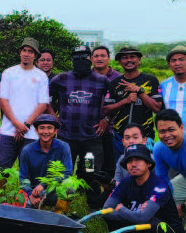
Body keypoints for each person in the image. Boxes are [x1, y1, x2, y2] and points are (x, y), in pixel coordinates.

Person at [102, 144, 186, 233]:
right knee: (111, 217)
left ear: (148, 163)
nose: (133, 164)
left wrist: (123, 209)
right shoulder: (125, 183)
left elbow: (143, 218)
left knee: (154, 222)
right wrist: (132, 214)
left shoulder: (160, 185)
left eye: (138, 160)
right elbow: (106, 210)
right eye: (129, 161)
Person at [49, 46, 108, 176]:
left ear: (90, 58)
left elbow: (113, 102)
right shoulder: (61, 79)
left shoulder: (102, 81)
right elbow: (45, 99)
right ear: (72, 59)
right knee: (63, 172)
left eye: (84, 56)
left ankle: (88, 193)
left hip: (91, 139)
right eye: (76, 57)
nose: (80, 59)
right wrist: (53, 118)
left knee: (90, 171)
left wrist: (106, 119)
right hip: (66, 138)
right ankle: (64, 195)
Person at [0, 38, 50, 168]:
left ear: (35, 55)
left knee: (29, 170)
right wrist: (16, 124)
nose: (26, 54)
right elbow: (3, 101)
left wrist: (25, 125)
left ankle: (25, 190)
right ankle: (1, 190)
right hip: (8, 131)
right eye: (24, 50)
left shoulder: (41, 76)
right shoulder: (8, 73)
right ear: (20, 52)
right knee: (1, 170)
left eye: (30, 51)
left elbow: (43, 104)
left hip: (31, 132)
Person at [103, 47, 163, 145]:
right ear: (120, 61)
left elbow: (157, 108)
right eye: (125, 57)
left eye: (132, 57)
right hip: (120, 138)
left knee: (144, 161)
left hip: (145, 137)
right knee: (119, 161)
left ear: (139, 60)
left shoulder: (151, 80)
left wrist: (140, 91)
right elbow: (106, 110)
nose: (129, 60)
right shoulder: (115, 83)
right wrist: (125, 101)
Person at [18, 114, 73, 211]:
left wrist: (44, 185)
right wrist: (31, 194)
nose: (45, 132)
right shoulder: (27, 150)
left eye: (50, 128)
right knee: (22, 204)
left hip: (54, 188)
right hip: (34, 191)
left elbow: (67, 173)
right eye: (42, 128)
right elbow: (23, 177)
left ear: (55, 131)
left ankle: (60, 214)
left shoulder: (63, 147)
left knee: (70, 187)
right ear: (36, 130)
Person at [92, 45, 123, 177]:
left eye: (103, 55)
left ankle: (110, 190)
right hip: (90, 130)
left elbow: (122, 103)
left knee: (111, 164)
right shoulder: (85, 76)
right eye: (96, 56)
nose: (99, 58)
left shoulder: (118, 78)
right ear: (91, 58)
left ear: (109, 58)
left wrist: (106, 119)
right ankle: (90, 189)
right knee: (90, 162)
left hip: (112, 130)